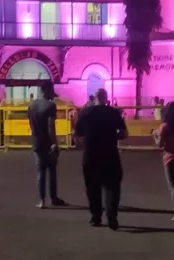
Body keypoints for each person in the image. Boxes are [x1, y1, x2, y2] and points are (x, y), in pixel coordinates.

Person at [74, 88, 128, 229]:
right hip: (110, 154)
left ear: (94, 98)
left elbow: (78, 136)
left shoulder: (85, 113)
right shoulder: (113, 113)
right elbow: (123, 133)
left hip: (90, 155)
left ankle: (95, 217)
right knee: (112, 187)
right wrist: (112, 137)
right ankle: (112, 217)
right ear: (106, 98)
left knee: (92, 188)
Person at [27, 82, 65, 209]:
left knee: (40, 172)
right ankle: (53, 198)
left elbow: (31, 124)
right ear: (47, 90)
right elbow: (51, 126)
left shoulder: (31, 106)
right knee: (52, 170)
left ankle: (42, 200)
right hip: (48, 144)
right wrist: (55, 143)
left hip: (36, 142)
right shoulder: (50, 106)